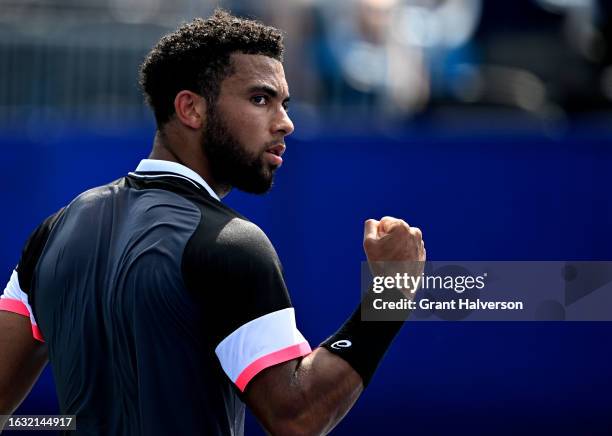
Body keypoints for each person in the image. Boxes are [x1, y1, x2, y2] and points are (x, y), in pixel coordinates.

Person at [0, 9, 425, 435]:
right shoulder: (231, 245)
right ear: (191, 109)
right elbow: (298, 414)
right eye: (261, 99)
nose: (286, 123)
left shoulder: (53, 232)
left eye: (284, 104)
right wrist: (391, 291)